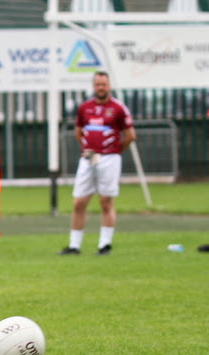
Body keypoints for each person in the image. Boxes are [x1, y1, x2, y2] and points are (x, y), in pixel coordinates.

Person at [59, 71, 135, 256]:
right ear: (94, 86)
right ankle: (74, 245)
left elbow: (130, 135)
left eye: (104, 84)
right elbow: (78, 133)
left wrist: (114, 151)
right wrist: (89, 148)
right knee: (79, 202)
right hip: (88, 157)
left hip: (110, 158)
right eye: (98, 84)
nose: (101, 88)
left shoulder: (118, 108)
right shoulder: (84, 108)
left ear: (109, 86)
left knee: (106, 202)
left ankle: (104, 245)